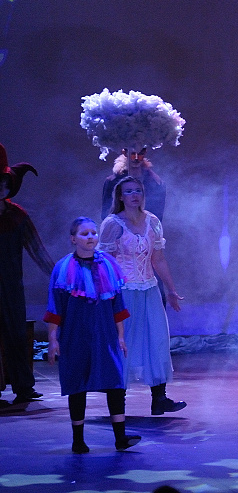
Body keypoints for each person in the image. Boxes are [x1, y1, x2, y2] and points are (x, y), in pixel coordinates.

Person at [44, 217, 141, 452]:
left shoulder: (108, 264)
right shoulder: (64, 268)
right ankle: (78, 440)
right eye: (84, 233)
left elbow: (117, 305)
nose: (90, 237)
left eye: (93, 233)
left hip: (105, 334)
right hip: (75, 334)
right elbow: (55, 307)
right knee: (77, 384)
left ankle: (120, 438)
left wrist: (120, 336)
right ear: (73, 238)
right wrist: (53, 339)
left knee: (115, 382)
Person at [98, 176, 186, 415]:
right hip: (124, 292)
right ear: (120, 196)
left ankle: (159, 398)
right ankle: (119, 402)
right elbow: (105, 263)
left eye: (138, 190)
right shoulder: (113, 224)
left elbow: (158, 259)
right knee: (124, 343)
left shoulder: (153, 221)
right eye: (128, 191)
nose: (134, 195)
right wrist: (107, 294)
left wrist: (171, 289)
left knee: (156, 340)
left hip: (149, 290)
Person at [0, 143, 53, 407]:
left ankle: (24, 386)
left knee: (17, 335)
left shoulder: (17, 216)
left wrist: (59, 276)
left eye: (3, 183)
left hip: (11, 286)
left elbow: (37, 250)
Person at [101, 148, 166, 219]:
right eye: (133, 154)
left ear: (144, 153)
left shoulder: (155, 183)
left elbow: (157, 217)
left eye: (140, 154)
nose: (136, 158)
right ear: (125, 153)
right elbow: (106, 213)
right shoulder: (112, 182)